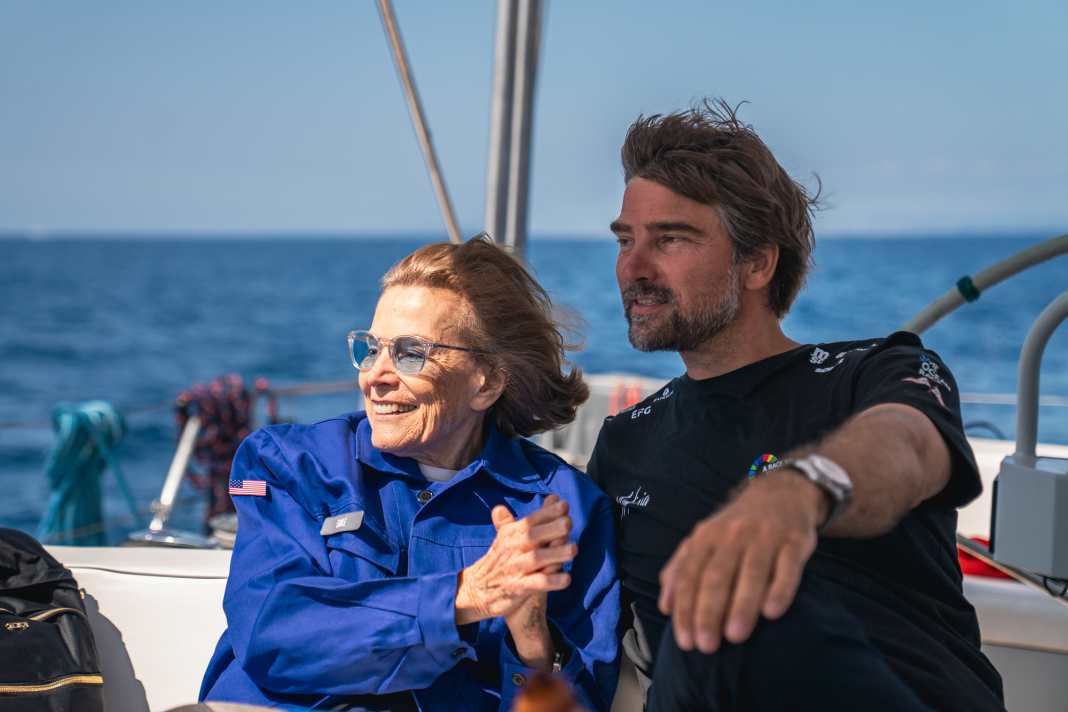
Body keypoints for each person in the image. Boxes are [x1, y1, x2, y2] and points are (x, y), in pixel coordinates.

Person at [587, 100, 1005, 711]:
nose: (634, 267)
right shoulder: (626, 442)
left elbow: (908, 444)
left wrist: (807, 489)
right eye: (626, 240)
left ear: (758, 262)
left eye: (670, 239)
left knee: (744, 614)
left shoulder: (874, 373)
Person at [200, 236, 620, 711]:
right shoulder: (292, 464)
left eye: (409, 353)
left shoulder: (562, 508)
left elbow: (580, 701)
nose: (375, 375)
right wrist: (462, 597)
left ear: (486, 383)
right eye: (371, 349)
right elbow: (273, 632)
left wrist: (533, 648)